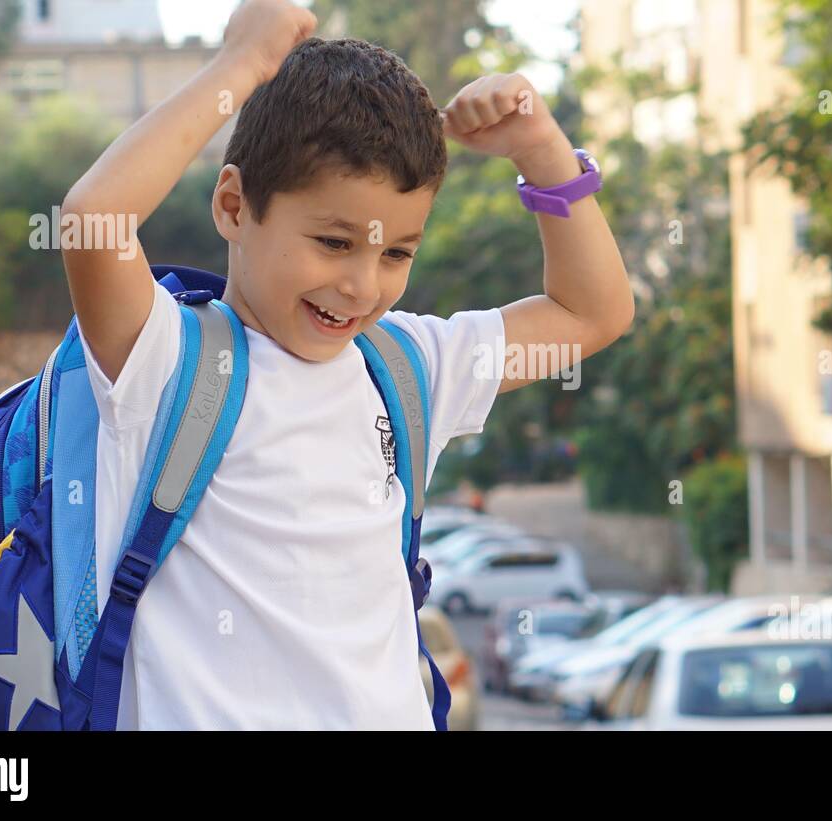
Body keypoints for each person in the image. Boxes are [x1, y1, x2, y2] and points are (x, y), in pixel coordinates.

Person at [59, 0, 633, 729]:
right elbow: (92, 220)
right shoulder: (163, 363)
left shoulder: (405, 366)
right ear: (234, 206)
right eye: (333, 242)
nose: (363, 285)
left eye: (396, 252)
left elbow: (593, 312)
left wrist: (541, 150)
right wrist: (241, 67)